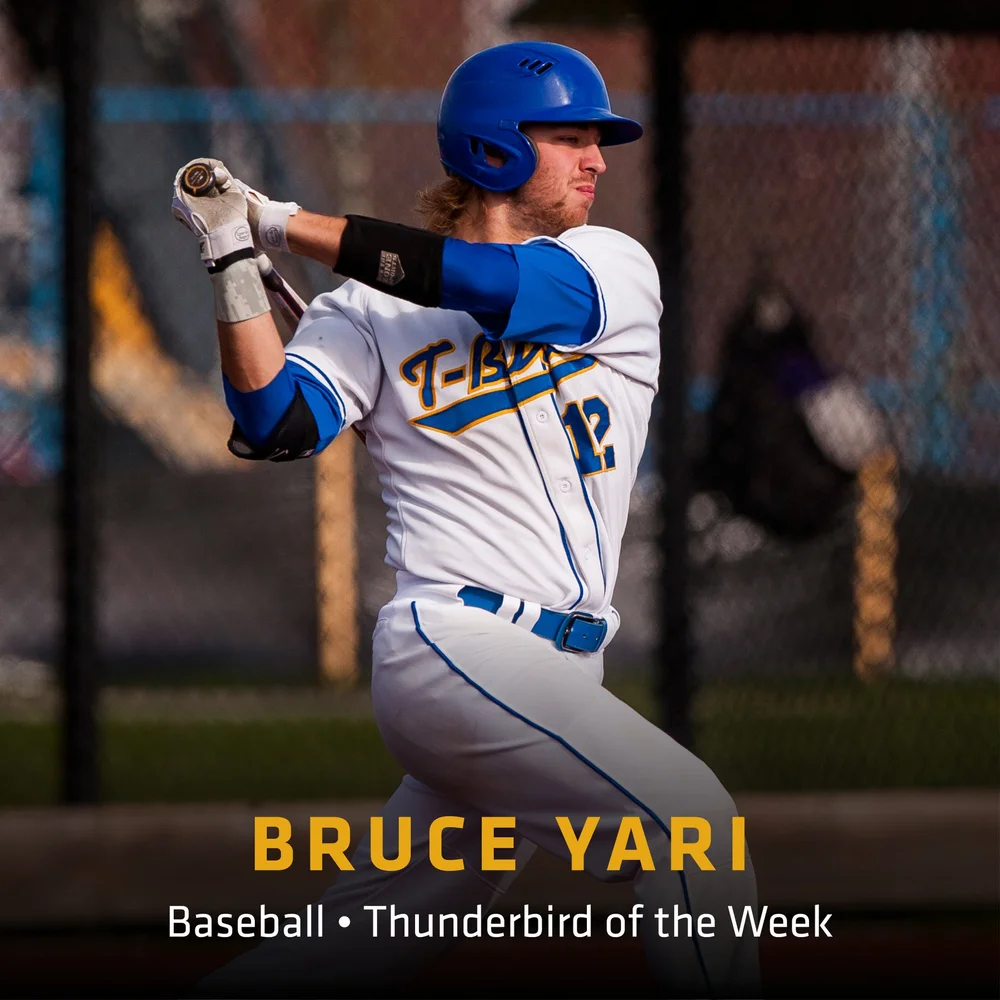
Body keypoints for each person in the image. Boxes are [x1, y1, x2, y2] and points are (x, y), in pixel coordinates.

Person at [173, 41, 759, 998]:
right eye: (570, 137)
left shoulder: (610, 265)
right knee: (690, 823)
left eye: (595, 141)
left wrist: (278, 221)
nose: (597, 160)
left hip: (558, 668)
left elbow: (484, 285)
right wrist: (233, 256)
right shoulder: (365, 312)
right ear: (495, 148)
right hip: (454, 645)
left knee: (363, 942)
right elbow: (273, 424)